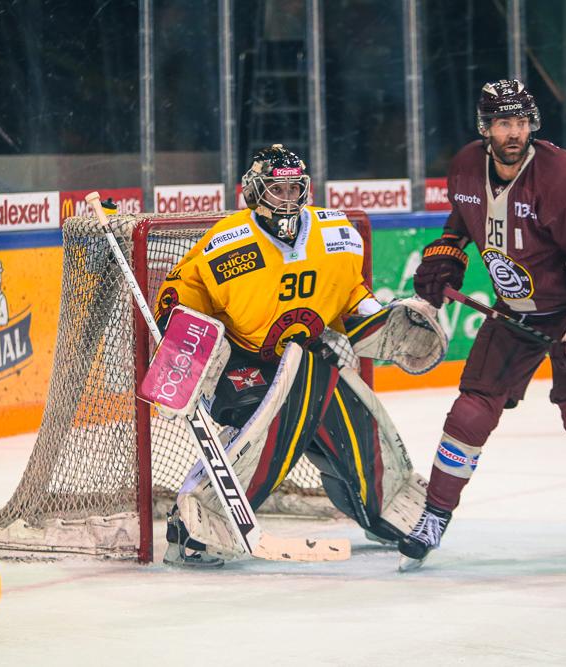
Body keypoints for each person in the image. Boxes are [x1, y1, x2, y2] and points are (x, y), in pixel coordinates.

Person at [401, 79, 566, 578]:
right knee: (471, 409)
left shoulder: (560, 177)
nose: (514, 133)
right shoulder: (465, 166)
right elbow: (463, 220)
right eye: (504, 123)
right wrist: (446, 254)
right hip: (515, 310)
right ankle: (433, 516)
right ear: (486, 127)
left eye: (521, 122)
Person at [153, 144, 446, 567]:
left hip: (305, 357)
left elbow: (351, 295)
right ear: (255, 192)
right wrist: (184, 351)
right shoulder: (227, 244)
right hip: (242, 363)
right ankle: (193, 530)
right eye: (278, 189)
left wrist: (382, 318)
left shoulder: (336, 233)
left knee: (354, 421)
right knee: (270, 425)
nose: (288, 198)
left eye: (295, 188)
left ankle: (382, 509)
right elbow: (181, 297)